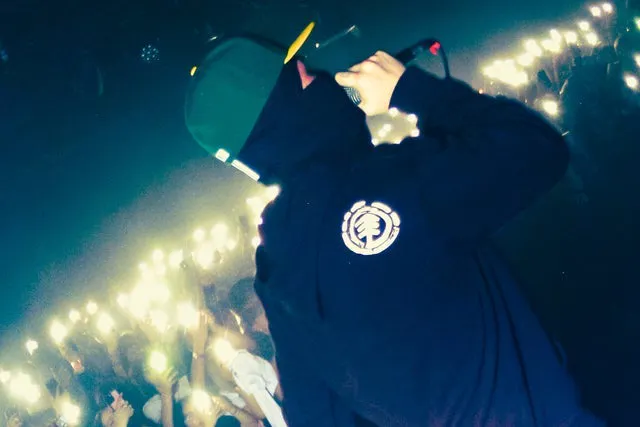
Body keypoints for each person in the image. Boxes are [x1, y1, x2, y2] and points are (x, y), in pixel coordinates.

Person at [185, 26, 605, 426]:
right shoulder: (390, 180)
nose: (329, 76)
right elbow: (536, 148)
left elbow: (314, 415)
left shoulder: (277, 266)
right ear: (284, 109)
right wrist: (411, 89)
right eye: (308, 74)